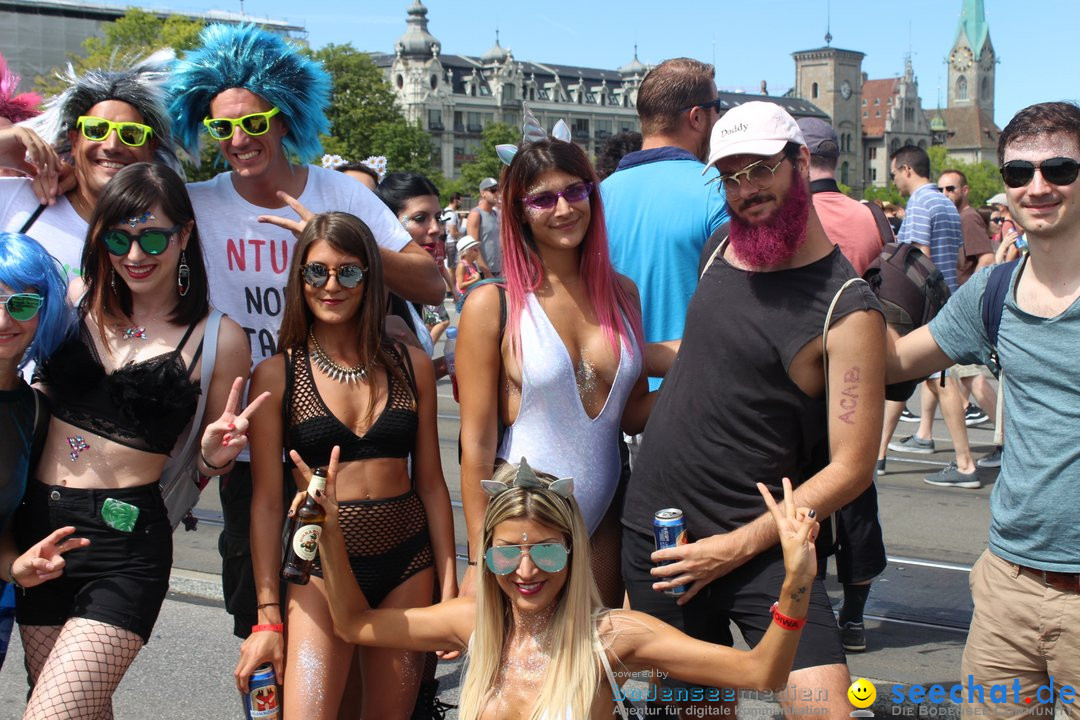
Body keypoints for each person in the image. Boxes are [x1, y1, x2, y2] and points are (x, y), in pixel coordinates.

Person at [166, 23, 445, 640]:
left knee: (371, 633)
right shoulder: (196, 203)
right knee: (265, 626)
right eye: (221, 127)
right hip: (251, 435)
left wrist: (339, 235)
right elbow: (121, 222)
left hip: (348, 432)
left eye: (255, 122)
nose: (238, 139)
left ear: (284, 119)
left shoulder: (336, 191)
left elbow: (431, 283)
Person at [622, 101, 885, 717]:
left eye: (760, 169)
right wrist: (626, 353)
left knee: (825, 708)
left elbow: (851, 470)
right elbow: (717, 348)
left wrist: (734, 547)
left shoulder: (848, 310)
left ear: (800, 162)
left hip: (762, 546)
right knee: (695, 710)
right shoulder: (722, 247)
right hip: (663, 537)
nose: (746, 190)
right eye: (731, 176)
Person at [308, 452, 819, 720]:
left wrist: (796, 582)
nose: (526, 571)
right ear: (487, 557)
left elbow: (760, 674)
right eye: (508, 552)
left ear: (573, 553)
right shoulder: (471, 623)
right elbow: (355, 624)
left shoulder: (610, 638)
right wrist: (331, 537)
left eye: (547, 551)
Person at [16, 162, 257, 719]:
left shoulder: (218, 336)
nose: (135, 254)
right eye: (118, 238)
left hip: (125, 546)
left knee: (51, 714)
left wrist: (213, 457)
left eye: (152, 236)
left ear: (185, 236)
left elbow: (202, 456)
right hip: (40, 536)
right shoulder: (71, 303)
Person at [888, 101, 1080, 718]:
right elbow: (895, 363)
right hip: (1008, 587)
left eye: (1060, 168)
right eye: (1020, 173)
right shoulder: (992, 291)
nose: (1039, 186)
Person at [236, 212, 456, 719]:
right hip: (316, 568)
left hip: (407, 563)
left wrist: (449, 584)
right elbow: (268, 503)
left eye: (348, 272)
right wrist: (268, 611)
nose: (331, 285)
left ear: (369, 279)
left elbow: (431, 484)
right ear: (299, 279)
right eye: (316, 272)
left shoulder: (411, 363)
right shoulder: (276, 374)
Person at [457, 129, 652, 606]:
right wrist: (480, 553)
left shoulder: (623, 294)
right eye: (543, 199)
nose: (564, 209)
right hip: (519, 526)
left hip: (603, 518)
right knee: (522, 672)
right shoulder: (492, 304)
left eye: (575, 191)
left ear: (592, 194)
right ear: (520, 211)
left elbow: (631, 413)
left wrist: (711, 370)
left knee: (591, 665)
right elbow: (477, 440)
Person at [796, 116, 887, 653]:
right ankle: (854, 616)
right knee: (855, 496)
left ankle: (810, 613)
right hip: (857, 373)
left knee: (799, 494)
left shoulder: (792, 217)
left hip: (799, 378)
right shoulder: (867, 217)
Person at [601, 57, 728, 391]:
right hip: (691, 397)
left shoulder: (592, 199)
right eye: (718, 108)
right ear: (698, 117)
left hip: (613, 396)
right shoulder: (719, 190)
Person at [0, 52, 182, 283]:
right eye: (96, 130)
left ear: (150, 149)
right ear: (75, 141)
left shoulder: (164, 229)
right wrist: (6, 149)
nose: (113, 145)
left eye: (131, 134)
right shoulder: (21, 200)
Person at [0, 231, 90, 673]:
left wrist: (15, 566)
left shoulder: (34, 411)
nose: (3, 320)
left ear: (44, 312)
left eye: (20, 305)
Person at [887, 147, 980, 489]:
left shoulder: (921, 203)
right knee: (928, 376)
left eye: (895, 172)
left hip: (929, 305)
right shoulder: (945, 203)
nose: (893, 178)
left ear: (907, 169)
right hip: (949, 297)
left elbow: (919, 257)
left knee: (940, 379)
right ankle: (918, 437)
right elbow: (956, 257)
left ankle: (965, 464)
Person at [376, 172, 454, 346]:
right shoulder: (374, 292)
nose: (436, 229)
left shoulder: (414, 286)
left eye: (438, 218)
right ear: (389, 221)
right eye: (420, 218)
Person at [467, 177, 501, 276]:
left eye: (498, 190)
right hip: (482, 272)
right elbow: (473, 247)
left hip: (497, 270)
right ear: (483, 193)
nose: (497, 193)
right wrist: (487, 272)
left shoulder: (495, 214)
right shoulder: (476, 214)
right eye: (493, 190)